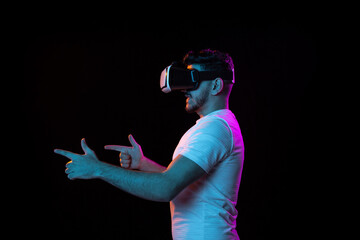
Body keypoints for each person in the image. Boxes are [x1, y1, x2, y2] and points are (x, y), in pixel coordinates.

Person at [54, 49, 245, 240]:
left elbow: (166, 188)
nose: (185, 89)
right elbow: (184, 185)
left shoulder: (215, 129)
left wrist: (98, 169)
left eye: (192, 79)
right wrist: (143, 164)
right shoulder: (217, 126)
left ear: (216, 85)